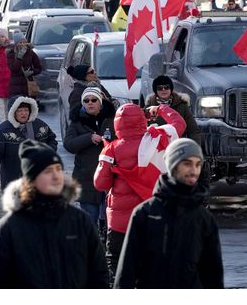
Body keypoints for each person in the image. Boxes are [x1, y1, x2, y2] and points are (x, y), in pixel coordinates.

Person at [0, 139, 109, 288]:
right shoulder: (9, 228)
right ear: (31, 180)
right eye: (48, 171)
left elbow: (99, 275)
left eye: (58, 169)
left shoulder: (79, 221)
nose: (56, 176)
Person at [114, 138, 224, 289]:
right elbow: (126, 272)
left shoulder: (204, 219)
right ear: (173, 165)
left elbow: (213, 276)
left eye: (198, 164)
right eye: (187, 164)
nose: (194, 170)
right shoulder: (144, 214)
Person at [94, 103, 187, 280]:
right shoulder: (159, 138)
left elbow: (100, 184)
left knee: (117, 262)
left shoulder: (111, 149)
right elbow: (179, 123)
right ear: (142, 120)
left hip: (120, 223)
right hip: (153, 216)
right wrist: (160, 109)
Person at [64, 87, 116, 224]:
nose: (90, 103)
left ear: (100, 102)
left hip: (109, 177)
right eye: (86, 101)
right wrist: (88, 138)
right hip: (86, 178)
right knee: (89, 217)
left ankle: (106, 243)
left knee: (108, 217)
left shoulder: (112, 120)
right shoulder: (76, 122)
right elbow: (68, 144)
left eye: (93, 100)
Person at [0, 96, 58, 191]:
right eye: (19, 110)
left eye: (26, 110)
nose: (23, 113)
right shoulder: (3, 131)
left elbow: (52, 140)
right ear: (13, 112)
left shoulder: (40, 125)